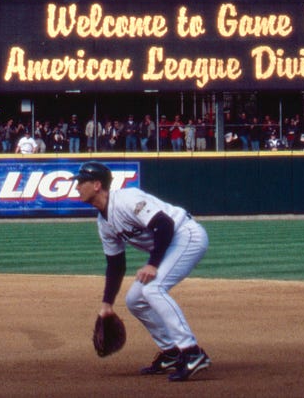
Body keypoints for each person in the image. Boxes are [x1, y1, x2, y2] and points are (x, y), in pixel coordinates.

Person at [74, 161, 211, 382]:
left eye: (81, 182)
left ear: (97, 185)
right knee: (134, 299)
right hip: (169, 245)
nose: (77, 187)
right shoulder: (103, 222)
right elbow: (116, 264)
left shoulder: (127, 199)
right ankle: (172, 353)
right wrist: (107, 305)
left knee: (154, 289)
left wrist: (153, 264)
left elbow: (164, 224)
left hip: (186, 235)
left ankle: (192, 352)